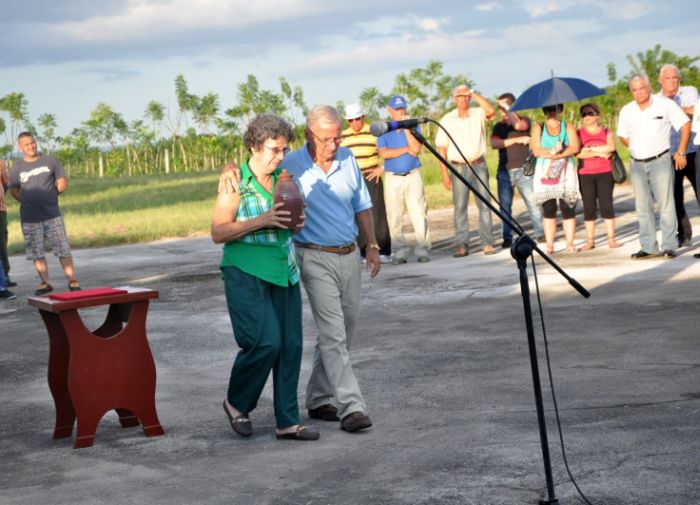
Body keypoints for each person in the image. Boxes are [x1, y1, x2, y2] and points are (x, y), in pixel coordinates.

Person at [212, 114, 319, 441]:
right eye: (274, 149)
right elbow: (218, 232)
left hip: (283, 270)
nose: (280, 156)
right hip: (246, 271)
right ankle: (236, 402)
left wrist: (296, 220)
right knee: (265, 341)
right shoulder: (235, 182)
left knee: (290, 346)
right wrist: (263, 219)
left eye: (285, 150)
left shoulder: (286, 179)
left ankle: (287, 421)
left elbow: (296, 224)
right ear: (254, 147)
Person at [617, 74, 691, 259]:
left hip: (660, 161)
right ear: (631, 91)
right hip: (636, 164)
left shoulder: (664, 104)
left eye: (642, 88)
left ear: (649, 87)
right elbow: (623, 136)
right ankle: (649, 246)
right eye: (635, 89)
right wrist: (637, 147)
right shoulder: (627, 110)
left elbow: (685, 124)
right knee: (642, 207)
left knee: (666, 205)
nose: (639, 92)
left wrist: (681, 151)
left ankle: (669, 246)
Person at [8, 132, 80, 295]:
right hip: (29, 216)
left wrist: (49, 196)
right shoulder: (17, 167)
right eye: (27, 144)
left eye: (33, 142)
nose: (31, 146)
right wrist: (28, 200)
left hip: (52, 214)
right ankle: (45, 283)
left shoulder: (50, 160)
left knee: (62, 248)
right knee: (36, 251)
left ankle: (72, 280)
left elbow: (61, 183)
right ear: (20, 147)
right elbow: (13, 190)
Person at [436, 84, 497, 257]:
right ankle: (461, 245)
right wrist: (444, 174)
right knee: (460, 208)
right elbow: (442, 149)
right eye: (460, 96)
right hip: (458, 167)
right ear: (454, 99)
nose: (463, 99)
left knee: (485, 205)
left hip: (478, 164)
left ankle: (487, 243)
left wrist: (473, 92)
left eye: (466, 96)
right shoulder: (447, 119)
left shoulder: (478, 113)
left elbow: (491, 111)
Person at [377, 95, 431, 264]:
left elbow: (415, 150)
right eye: (397, 109)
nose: (401, 112)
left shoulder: (413, 126)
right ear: (390, 110)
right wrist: (406, 148)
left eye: (403, 109)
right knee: (395, 215)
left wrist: (407, 128)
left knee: (419, 212)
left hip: (413, 175)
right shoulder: (384, 128)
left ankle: (422, 248)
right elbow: (385, 153)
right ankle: (400, 251)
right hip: (393, 177)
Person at [490, 92, 544, 248]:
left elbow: (519, 126)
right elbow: (494, 144)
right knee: (505, 207)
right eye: (501, 108)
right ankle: (507, 237)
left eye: (505, 107)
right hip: (505, 171)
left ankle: (540, 233)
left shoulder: (524, 120)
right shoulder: (499, 126)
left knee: (532, 202)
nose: (503, 111)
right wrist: (517, 140)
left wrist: (508, 108)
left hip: (523, 169)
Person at [341, 103, 392, 263]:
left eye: (358, 118)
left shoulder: (374, 132)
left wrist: (382, 168)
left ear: (363, 117)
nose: (355, 122)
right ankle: (364, 251)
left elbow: (387, 152)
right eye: (351, 120)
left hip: (371, 176)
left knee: (377, 212)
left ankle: (383, 250)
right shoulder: (343, 136)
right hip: (352, 179)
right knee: (357, 215)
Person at [530, 104, 581, 254]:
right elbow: (536, 150)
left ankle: (570, 243)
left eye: (555, 109)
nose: (552, 112)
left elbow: (574, 147)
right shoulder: (538, 127)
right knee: (549, 209)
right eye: (549, 109)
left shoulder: (568, 126)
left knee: (568, 207)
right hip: (545, 171)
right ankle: (550, 244)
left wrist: (560, 153)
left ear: (560, 110)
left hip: (565, 170)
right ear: (545, 111)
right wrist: (552, 151)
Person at [657, 64, 698, 247]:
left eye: (675, 77)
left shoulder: (689, 91)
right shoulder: (655, 100)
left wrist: (676, 111)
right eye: (668, 78)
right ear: (660, 81)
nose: (672, 81)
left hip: (693, 150)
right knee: (674, 197)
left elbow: (697, 112)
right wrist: (684, 111)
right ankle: (684, 235)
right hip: (671, 153)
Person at [575, 102, 620, 249]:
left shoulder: (607, 132)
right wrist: (598, 152)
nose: (586, 116)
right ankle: (590, 240)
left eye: (590, 113)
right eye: (584, 114)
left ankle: (611, 238)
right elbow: (578, 153)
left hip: (605, 173)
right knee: (589, 207)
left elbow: (611, 147)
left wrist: (588, 149)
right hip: (585, 173)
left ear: (597, 116)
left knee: (606, 206)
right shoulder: (578, 133)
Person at [0, 159, 16, 287]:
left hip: (0, 210)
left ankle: (4, 275)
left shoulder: (0, 162)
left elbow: (5, 184)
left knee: (1, 243)